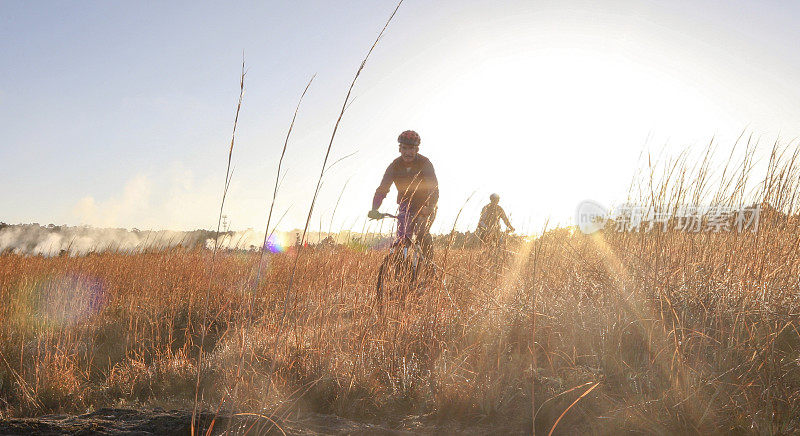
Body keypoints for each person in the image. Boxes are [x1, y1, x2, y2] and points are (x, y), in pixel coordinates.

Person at [368, 130, 438, 260]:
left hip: (426, 205)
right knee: (401, 238)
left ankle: (429, 269)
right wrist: (374, 209)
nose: (408, 152)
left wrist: (430, 206)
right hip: (405, 206)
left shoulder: (425, 163)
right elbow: (382, 189)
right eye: (404, 148)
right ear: (400, 149)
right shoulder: (394, 166)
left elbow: (434, 189)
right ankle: (400, 268)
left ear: (417, 149)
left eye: (411, 148)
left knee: (422, 233)